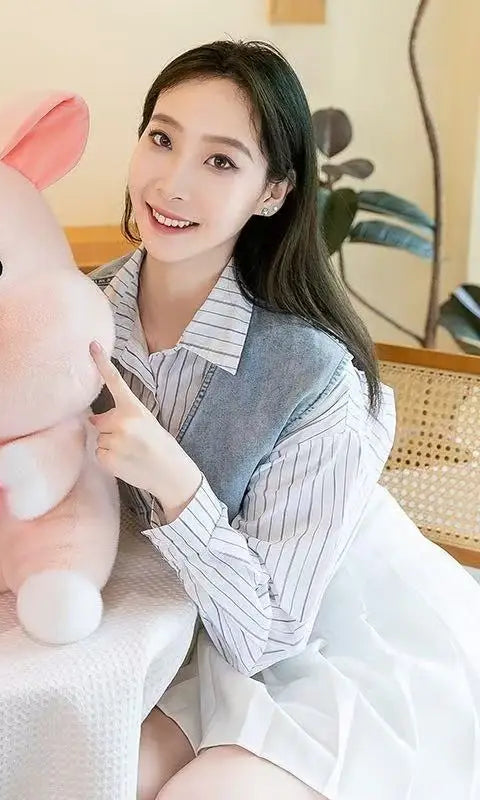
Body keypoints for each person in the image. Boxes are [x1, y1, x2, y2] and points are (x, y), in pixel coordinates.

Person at [87, 40, 480, 800]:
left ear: (272, 193)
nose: (172, 183)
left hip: (340, 636)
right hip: (181, 626)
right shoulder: (78, 314)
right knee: (97, 775)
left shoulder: (313, 371)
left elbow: (270, 631)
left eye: (222, 161)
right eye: (162, 139)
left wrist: (173, 480)